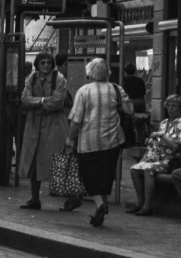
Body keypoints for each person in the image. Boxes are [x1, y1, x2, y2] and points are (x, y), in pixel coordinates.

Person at [62, 58, 130, 228]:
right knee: (105, 176)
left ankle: (100, 205)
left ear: (90, 73)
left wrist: (71, 138)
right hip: (113, 140)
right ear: (108, 73)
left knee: (89, 175)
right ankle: (101, 208)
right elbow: (129, 109)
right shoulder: (117, 89)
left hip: (89, 142)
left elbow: (76, 119)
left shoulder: (84, 91)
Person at [17, 52, 70, 210]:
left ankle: (72, 197)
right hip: (35, 126)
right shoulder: (32, 78)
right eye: (42, 62)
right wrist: (43, 101)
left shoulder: (59, 79)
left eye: (48, 62)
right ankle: (35, 199)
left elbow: (58, 102)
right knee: (33, 161)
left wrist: (36, 103)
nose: (46, 65)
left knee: (58, 161)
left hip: (54, 126)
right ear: (37, 64)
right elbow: (24, 99)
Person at [128, 94, 181, 216]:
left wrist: (161, 136)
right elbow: (158, 141)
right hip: (157, 157)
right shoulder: (164, 122)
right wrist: (150, 141)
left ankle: (147, 206)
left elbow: (175, 146)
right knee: (134, 169)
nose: (170, 108)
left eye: (174, 106)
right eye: (168, 105)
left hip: (172, 160)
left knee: (148, 170)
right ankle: (140, 202)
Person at [121, 62, 148, 146]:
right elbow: (144, 92)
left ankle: (132, 138)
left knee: (128, 120)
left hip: (130, 102)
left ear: (125, 71)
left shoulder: (123, 80)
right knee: (141, 118)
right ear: (134, 71)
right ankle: (142, 133)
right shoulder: (140, 80)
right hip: (140, 101)